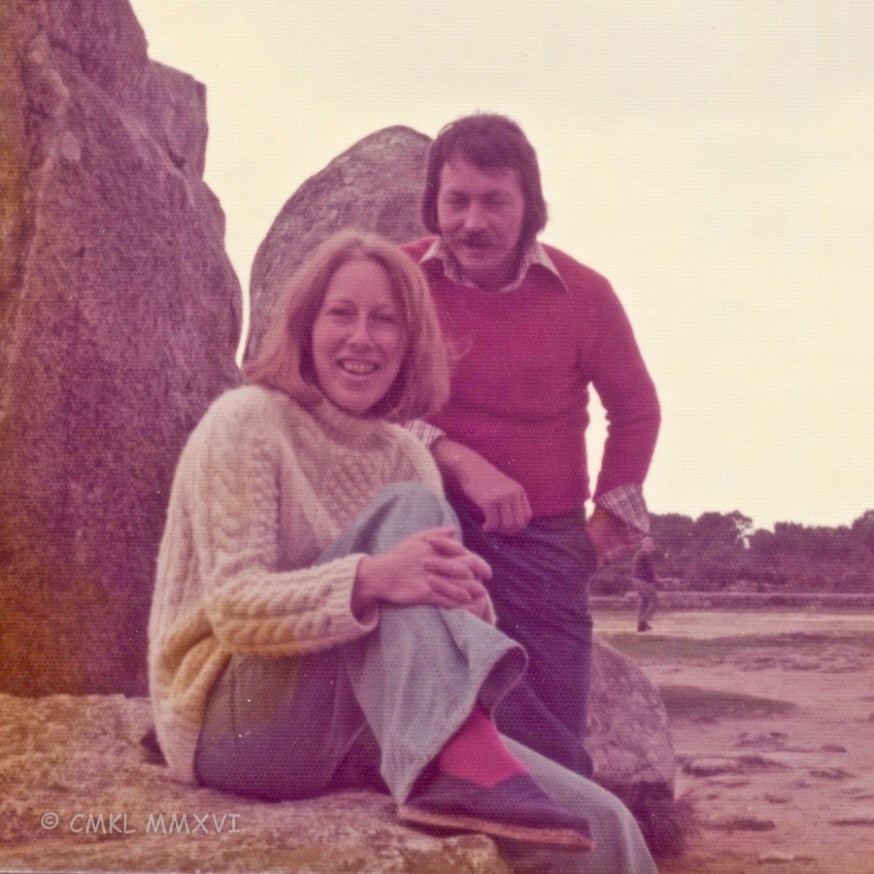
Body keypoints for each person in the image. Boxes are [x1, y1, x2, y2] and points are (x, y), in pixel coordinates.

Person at [148, 230, 657, 872]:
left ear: (411, 341)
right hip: (233, 724)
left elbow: (417, 620)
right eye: (341, 314)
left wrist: (466, 610)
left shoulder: (408, 453)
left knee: (601, 823)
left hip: (365, 721)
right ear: (306, 327)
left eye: (385, 320)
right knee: (409, 512)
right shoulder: (246, 422)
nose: (362, 338)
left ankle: (461, 764)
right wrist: (372, 579)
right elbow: (233, 611)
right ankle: (465, 760)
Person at [403, 114, 661, 778]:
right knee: (445, 707)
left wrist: (598, 535)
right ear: (433, 202)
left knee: (552, 733)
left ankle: (567, 818)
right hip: (429, 522)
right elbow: (354, 396)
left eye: (495, 200)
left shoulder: (585, 294)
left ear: (530, 205)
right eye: (457, 200)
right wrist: (455, 457)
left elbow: (636, 411)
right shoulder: (399, 279)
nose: (473, 222)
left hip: (545, 539)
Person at [631, 537, 660, 632]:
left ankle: (641, 626)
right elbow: (649, 569)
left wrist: (654, 576)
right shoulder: (644, 554)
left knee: (643, 602)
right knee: (655, 601)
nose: (653, 544)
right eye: (652, 542)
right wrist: (656, 577)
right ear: (646, 544)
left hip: (637, 580)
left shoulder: (641, 553)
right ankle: (643, 621)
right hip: (642, 580)